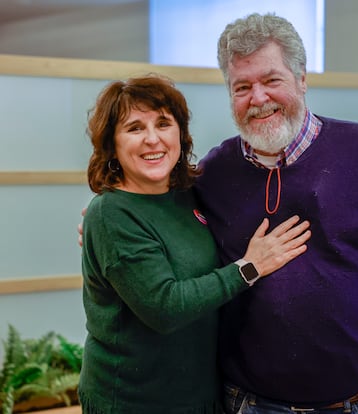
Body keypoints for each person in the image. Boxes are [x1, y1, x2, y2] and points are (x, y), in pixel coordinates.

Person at [193, 12, 358, 414]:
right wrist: (110, 215)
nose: (257, 98)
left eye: (271, 80)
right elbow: (157, 217)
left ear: (302, 79)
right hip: (250, 403)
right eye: (241, 86)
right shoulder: (213, 173)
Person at [78, 74, 311, 414]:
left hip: (199, 394)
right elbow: (165, 308)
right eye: (134, 128)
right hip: (135, 401)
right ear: (112, 144)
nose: (152, 139)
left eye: (163, 124)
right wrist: (250, 267)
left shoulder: (187, 197)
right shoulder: (110, 213)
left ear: (180, 134)